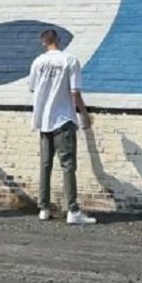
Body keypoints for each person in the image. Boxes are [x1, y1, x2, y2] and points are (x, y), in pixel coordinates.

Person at [27, 29, 97, 225]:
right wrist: (84, 114)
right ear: (58, 39)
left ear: (43, 42)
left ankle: (44, 208)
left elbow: (32, 87)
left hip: (44, 119)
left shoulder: (38, 62)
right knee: (68, 165)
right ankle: (72, 210)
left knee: (45, 164)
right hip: (63, 118)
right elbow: (75, 92)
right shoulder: (70, 60)